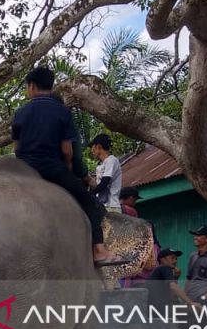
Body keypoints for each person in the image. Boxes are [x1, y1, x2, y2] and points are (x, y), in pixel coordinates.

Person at [11, 67, 125, 267]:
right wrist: (68, 170)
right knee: (90, 203)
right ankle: (99, 251)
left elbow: (17, 149)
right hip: (53, 170)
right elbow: (67, 151)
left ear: (31, 86)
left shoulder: (20, 113)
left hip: (24, 172)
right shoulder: (61, 111)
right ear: (49, 85)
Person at [88, 134, 123, 210]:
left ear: (99, 146)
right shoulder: (101, 165)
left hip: (111, 206)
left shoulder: (111, 160)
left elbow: (105, 182)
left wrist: (90, 194)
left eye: (92, 147)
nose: (92, 150)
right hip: (102, 205)